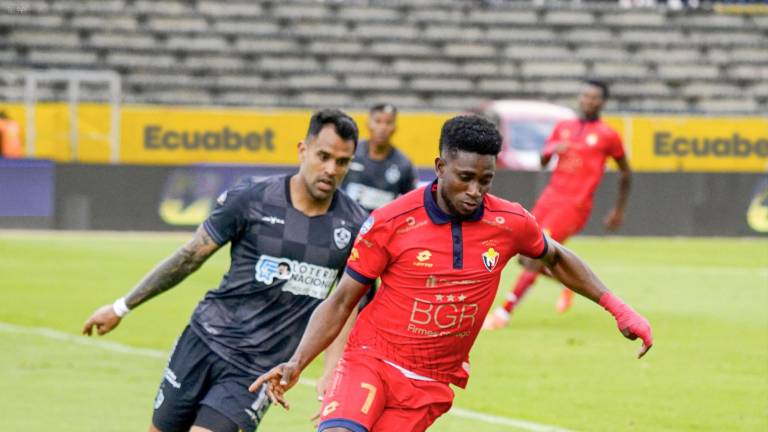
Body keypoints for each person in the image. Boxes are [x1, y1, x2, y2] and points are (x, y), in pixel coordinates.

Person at [250, 115, 653, 432]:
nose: (476, 191)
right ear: (440, 166)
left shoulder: (509, 221)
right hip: (370, 361)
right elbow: (341, 301)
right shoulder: (391, 222)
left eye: (486, 180)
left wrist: (617, 308)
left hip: (429, 383)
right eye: (465, 178)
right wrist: (298, 362)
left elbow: (556, 257)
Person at [82, 109, 368, 432]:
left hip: (256, 371)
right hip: (204, 340)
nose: (331, 169)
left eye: (342, 162)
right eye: (324, 156)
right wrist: (121, 306)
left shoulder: (354, 226)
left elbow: (346, 303)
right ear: (303, 150)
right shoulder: (253, 199)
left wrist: (332, 368)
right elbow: (189, 256)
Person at [483, 79, 632, 330]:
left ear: (603, 102)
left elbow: (626, 172)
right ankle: (569, 281)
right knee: (523, 255)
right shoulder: (563, 126)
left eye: (595, 97)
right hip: (550, 198)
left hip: (574, 204)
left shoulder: (608, 135)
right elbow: (542, 161)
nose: (589, 101)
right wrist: (551, 148)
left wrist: (618, 210)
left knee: (537, 256)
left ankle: (504, 313)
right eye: (585, 96)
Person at [341, 103, 419, 309]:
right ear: (368, 123)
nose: (383, 128)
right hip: (343, 235)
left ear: (395, 127)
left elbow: (411, 206)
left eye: (388, 123)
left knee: (362, 300)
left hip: (376, 242)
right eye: (378, 121)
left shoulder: (403, 165)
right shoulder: (349, 155)